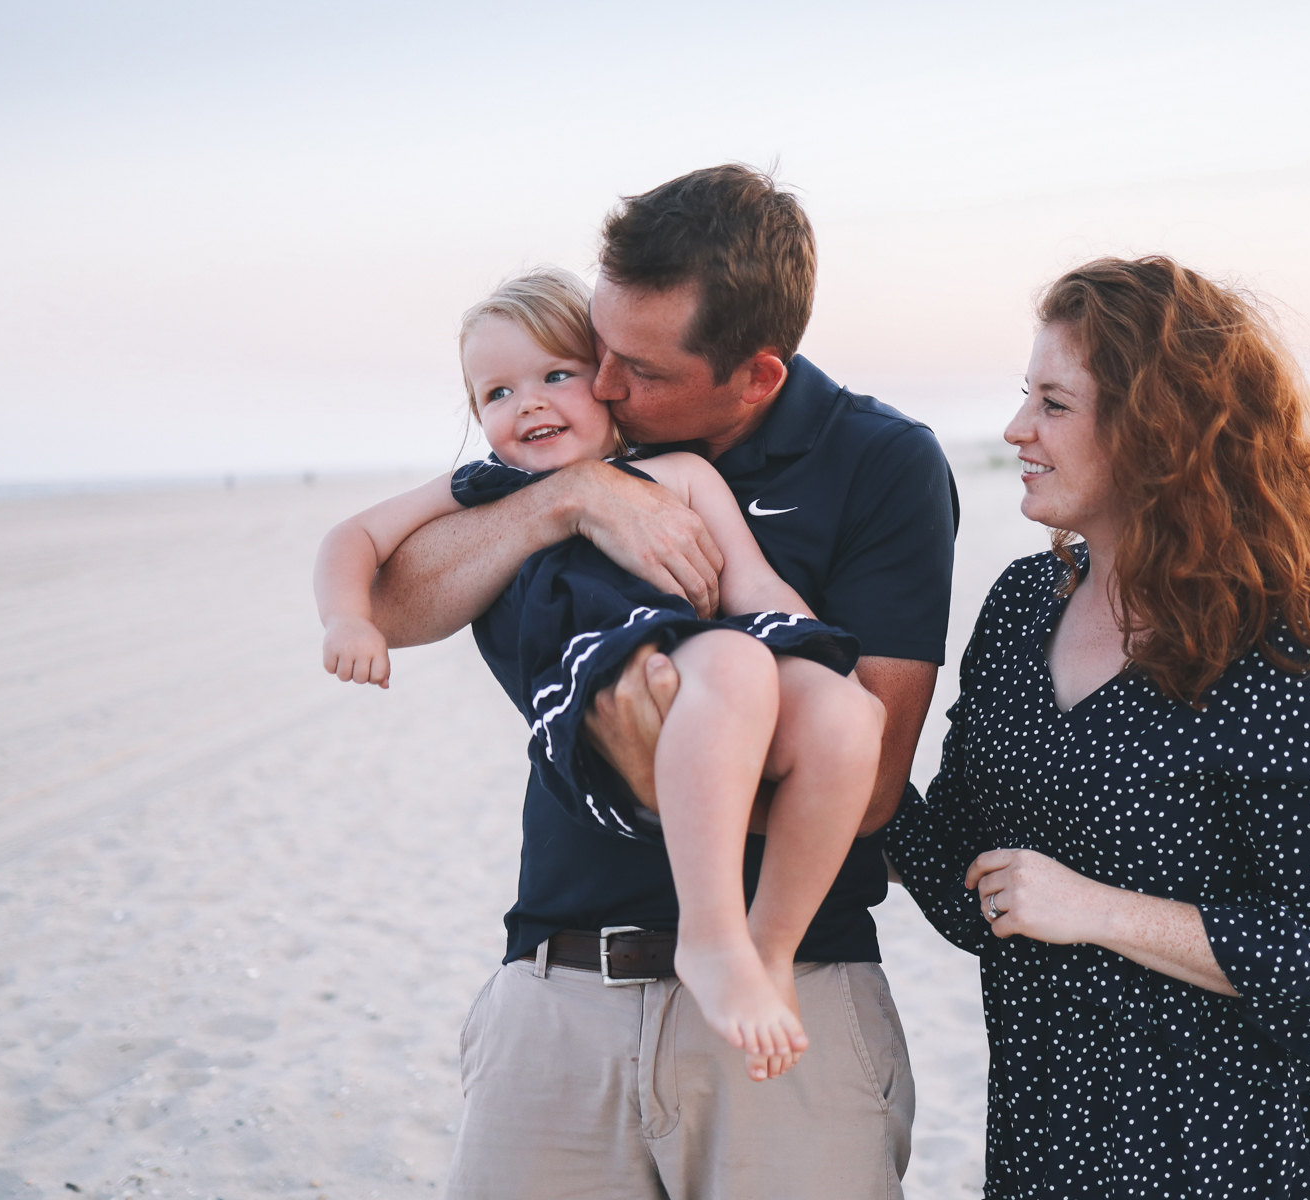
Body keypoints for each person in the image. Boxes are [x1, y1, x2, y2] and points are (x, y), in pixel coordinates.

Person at [365, 167, 957, 1199]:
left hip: (794, 987)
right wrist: (573, 501)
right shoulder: (572, 439)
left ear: (757, 376)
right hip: (559, 977)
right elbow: (398, 603)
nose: (596, 385)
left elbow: (863, 786)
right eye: (596, 345)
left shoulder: (880, 463)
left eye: (632, 369)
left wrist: (667, 770)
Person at [886, 256, 1310, 1197]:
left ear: (1159, 433)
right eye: (1023, 396)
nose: (1016, 429)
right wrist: (816, 758)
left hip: (1221, 1156)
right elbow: (972, 888)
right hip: (1044, 1146)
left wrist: (1098, 912)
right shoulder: (1023, 605)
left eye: (1054, 404)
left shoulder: (1280, 651)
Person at [314, 267, 887, 1082]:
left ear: (610, 382)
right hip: (594, 706)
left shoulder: (680, 475)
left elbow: (751, 585)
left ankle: (768, 951)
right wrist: (348, 618)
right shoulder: (489, 494)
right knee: (731, 659)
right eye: (496, 393)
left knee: (844, 716)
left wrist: (822, 656)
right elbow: (354, 538)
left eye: (556, 375)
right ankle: (711, 936)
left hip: (706, 673)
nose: (530, 404)